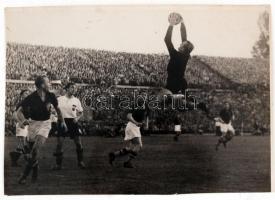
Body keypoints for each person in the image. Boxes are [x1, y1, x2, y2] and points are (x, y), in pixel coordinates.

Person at [16, 75, 67, 184]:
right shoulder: (31, 97)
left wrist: (62, 122)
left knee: (35, 150)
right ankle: (35, 169)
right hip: (33, 124)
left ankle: (24, 176)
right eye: (48, 82)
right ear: (42, 85)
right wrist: (23, 120)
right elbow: (19, 111)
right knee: (31, 152)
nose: (50, 84)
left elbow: (58, 110)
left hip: (45, 124)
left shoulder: (51, 96)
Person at [52, 82, 85, 170]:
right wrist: (56, 118)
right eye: (72, 88)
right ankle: (58, 165)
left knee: (78, 143)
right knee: (59, 144)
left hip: (72, 122)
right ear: (67, 89)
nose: (74, 89)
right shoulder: (60, 99)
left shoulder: (76, 100)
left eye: (75, 88)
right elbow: (54, 110)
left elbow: (81, 112)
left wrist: (77, 118)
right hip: (62, 121)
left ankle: (80, 162)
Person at [109, 103, 149, 168]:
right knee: (138, 145)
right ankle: (128, 162)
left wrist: (146, 124)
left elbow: (146, 116)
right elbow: (128, 116)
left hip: (136, 127)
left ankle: (114, 155)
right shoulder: (135, 104)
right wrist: (136, 122)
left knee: (131, 148)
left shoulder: (146, 106)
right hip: (132, 126)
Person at [164, 20, 194, 94]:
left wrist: (171, 25)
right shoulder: (186, 55)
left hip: (173, 85)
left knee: (160, 102)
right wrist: (182, 23)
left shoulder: (175, 55)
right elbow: (184, 37)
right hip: (181, 84)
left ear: (183, 48)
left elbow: (167, 40)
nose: (180, 44)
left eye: (182, 44)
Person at [9, 89, 30, 167]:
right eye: (25, 93)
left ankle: (16, 160)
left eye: (28, 93)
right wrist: (20, 122)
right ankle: (19, 160)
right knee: (22, 143)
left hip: (27, 125)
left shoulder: (29, 104)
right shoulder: (20, 104)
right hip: (21, 125)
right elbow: (14, 115)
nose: (27, 94)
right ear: (22, 95)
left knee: (24, 143)